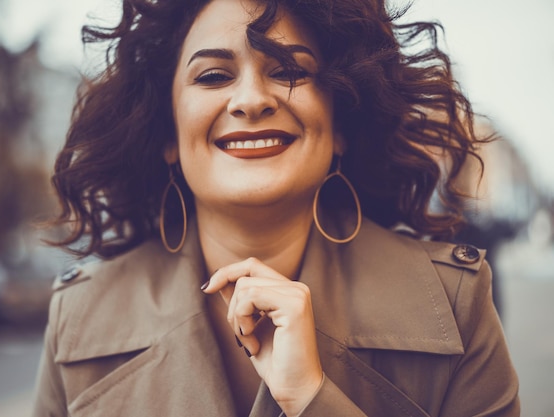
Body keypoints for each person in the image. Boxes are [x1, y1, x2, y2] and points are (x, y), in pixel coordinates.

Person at [32, 0, 520, 416]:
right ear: (167, 134)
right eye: (214, 75)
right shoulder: (78, 317)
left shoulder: (454, 305)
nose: (250, 100)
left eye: (289, 71)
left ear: (341, 121)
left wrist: (311, 397)